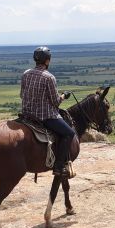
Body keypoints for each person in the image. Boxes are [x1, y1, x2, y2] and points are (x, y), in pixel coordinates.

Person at [20, 46, 74, 177]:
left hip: (26, 115)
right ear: (47, 61)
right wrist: (63, 96)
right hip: (45, 117)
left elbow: (22, 95)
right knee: (69, 133)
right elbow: (55, 102)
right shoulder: (49, 78)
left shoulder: (26, 73)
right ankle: (59, 166)